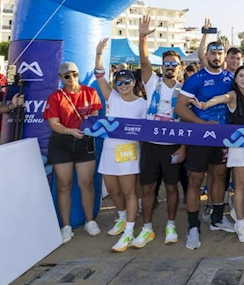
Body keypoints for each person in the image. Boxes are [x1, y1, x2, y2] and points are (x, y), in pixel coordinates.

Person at [176, 38, 235, 250]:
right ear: (206, 55)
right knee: (195, 181)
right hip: (199, 138)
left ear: (224, 56)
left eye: (220, 53)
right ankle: (193, 227)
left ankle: (218, 218)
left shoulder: (231, 77)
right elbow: (180, 109)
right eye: (212, 53)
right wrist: (202, 124)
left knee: (219, 177)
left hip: (222, 139)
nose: (216, 57)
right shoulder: (196, 79)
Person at [195, 64, 244, 243]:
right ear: (235, 79)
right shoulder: (233, 95)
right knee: (240, 184)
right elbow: (221, 98)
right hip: (239, 145)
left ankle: (237, 210)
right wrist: (205, 104)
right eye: (240, 76)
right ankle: (240, 224)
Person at [134, 16, 186, 248]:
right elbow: (144, 60)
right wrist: (143, 36)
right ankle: (146, 228)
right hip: (151, 145)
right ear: (161, 66)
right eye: (166, 63)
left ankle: (171, 224)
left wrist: (184, 147)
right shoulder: (151, 83)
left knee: (172, 187)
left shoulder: (185, 91)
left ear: (180, 67)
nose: (170, 67)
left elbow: (187, 122)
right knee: (147, 187)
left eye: (174, 64)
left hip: (173, 146)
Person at [92, 40, 146, 252]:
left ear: (133, 82)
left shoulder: (142, 104)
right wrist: (98, 54)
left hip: (129, 153)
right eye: (119, 83)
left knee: (129, 191)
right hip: (109, 150)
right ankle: (122, 218)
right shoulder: (112, 97)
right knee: (113, 190)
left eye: (126, 82)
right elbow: (99, 76)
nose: (122, 86)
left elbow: (145, 131)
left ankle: (129, 231)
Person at [42, 61, 101, 243]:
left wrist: (88, 122)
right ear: (61, 78)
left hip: (84, 141)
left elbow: (96, 117)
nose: (71, 78)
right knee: (64, 184)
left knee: (86, 183)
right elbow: (54, 124)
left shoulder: (90, 93)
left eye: (74, 74)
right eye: (67, 75)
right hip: (62, 142)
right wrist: (70, 131)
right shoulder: (55, 97)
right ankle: (66, 226)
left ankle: (90, 221)